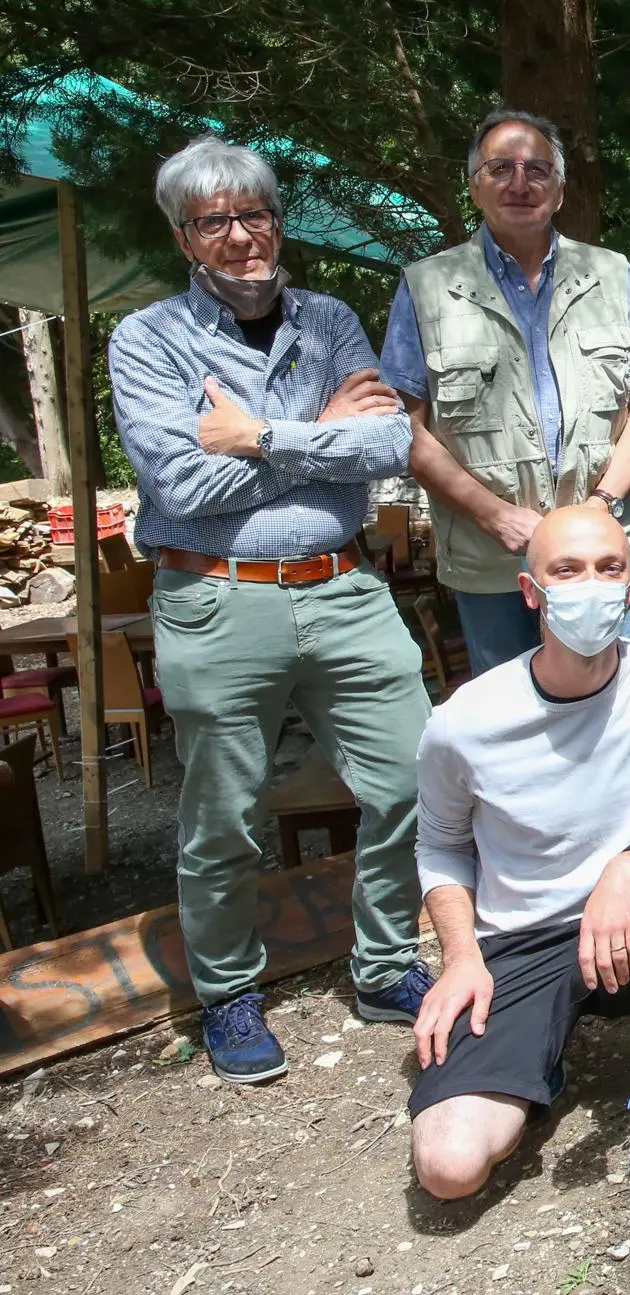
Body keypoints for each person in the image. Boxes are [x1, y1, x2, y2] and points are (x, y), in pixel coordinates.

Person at [109, 135, 432, 1083]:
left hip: (343, 587)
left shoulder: (328, 317)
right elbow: (182, 481)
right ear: (184, 238)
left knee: (415, 773)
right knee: (224, 813)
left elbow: (385, 446)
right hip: (217, 600)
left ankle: (382, 964)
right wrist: (317, 434)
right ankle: (228, 991)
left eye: (257, 215)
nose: (244, 237)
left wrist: (257, 435)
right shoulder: (148, 341)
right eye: (217, 222)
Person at [408, 506, 630, 1198]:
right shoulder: (463, 721)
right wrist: (460, 956)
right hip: (520, 937)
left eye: (608, 568)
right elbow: (439, 845)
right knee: (449, 1167)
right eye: (567, 570)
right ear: (531, 590)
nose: (590, 585)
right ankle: (537, 1056)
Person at [381, 107, 630, 670]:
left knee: (606, 711)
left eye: (537, 170)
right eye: (501, 168)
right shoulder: (427, 286)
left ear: (559, 191)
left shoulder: (612, 274)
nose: (519, 183)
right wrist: (495, 516)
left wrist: (602, 505)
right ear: (475, 186)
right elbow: (406, 429)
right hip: (491, 560)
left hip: (597, 557)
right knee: (509, 725)